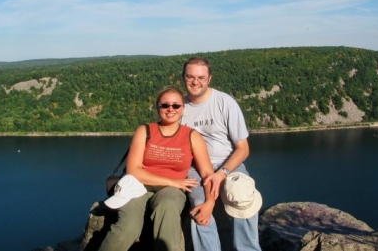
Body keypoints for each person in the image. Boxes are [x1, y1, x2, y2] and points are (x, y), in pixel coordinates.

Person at [99, 86, 215, 251]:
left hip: (171, 191)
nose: (170, 109)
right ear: (157, 107)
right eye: (165, 105)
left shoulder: (192, 136)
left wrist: (210, 202)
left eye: (176, 105)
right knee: (127, 228)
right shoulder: (145, 131)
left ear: (183, 109)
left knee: (168, 213)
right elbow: (134, 170)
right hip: (138, 187)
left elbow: (207, 173)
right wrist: (172, 181)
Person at [180, 57, 262, 251]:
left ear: (209, 79)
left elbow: (243, 148)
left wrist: (221, 173)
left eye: (201, 77)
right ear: (183, 78)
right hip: (196, 167)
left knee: (242, 194)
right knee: (201, 206)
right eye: (190, 77)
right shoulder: (179, 107)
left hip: (227, 162)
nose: (195, 82)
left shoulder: (224, 102)